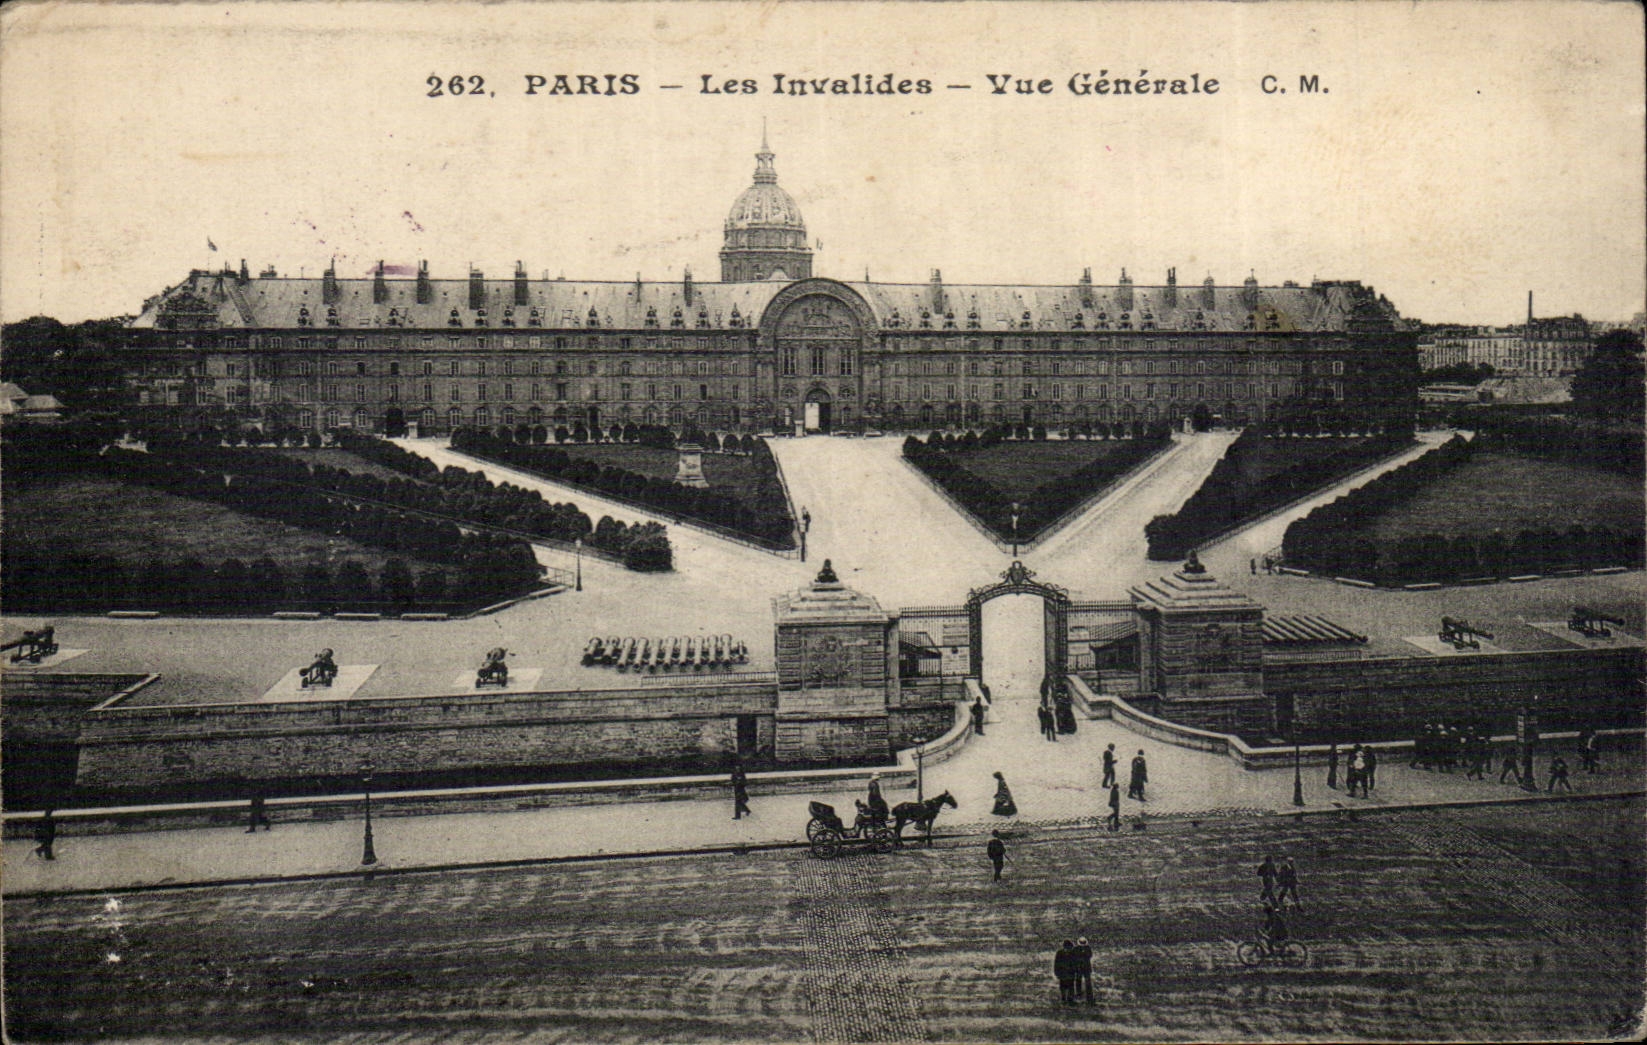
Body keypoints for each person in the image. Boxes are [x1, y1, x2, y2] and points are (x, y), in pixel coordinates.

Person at [1053, 940, 1077, 1005]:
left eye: (1070, 948)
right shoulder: (1059, 953)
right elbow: (1056, 963)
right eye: (1068, 948)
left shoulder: (1073, 953)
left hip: (1070, 973)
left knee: (1071, 986)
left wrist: (1075, 971)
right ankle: (1063, 999)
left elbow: (1075, 963)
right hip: (1062, 973)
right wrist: (1056, 972)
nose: (1069, 949)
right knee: (1063, 987)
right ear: (1065, 947)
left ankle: (1070, 1000)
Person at [1074, 937, 1094, 1002]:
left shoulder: (1088, 948)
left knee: (1087, 981)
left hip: (1085, 967)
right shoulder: (1076, 949)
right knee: (1078, 980)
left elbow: (1090, 955)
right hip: (1080, 967)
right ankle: (1079, 993)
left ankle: (1089, 996)